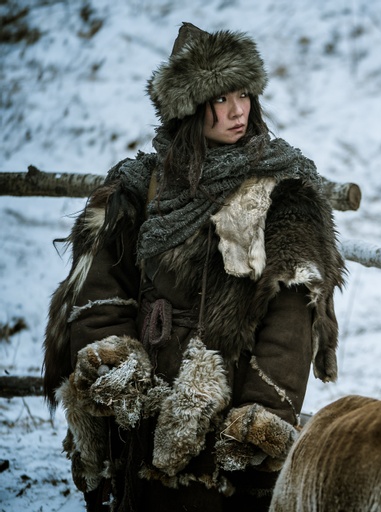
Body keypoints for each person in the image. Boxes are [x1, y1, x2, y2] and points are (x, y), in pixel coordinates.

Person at [42, 22, 345, 512]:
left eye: (244, 94)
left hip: (230, 397)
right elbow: (99, 288)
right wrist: (117, 365)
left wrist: (261, 412)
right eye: (220, 98)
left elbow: (292, 313)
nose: (238, 110)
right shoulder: (139, 186)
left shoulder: (284, 188)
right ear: (186, 107)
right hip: (143, 402)